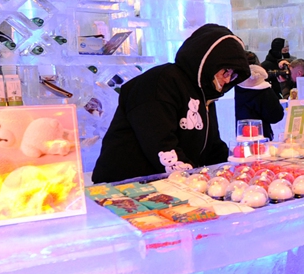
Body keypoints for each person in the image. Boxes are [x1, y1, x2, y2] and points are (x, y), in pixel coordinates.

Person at [93, 24, 250, 183]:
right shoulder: (161, 82)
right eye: (225, 72)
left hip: (166, 184)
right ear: (209, 61)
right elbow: (162, 144)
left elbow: (212, 146)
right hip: (125, 185)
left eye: (233, 74)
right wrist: (194, 179)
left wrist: (235, 168)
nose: (228, 80)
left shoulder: (204, 94)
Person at [234, 52, 284, 141]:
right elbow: (276, 116)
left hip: (240, 137)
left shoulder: (232, 84)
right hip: (261, 139)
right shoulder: (263, 89)